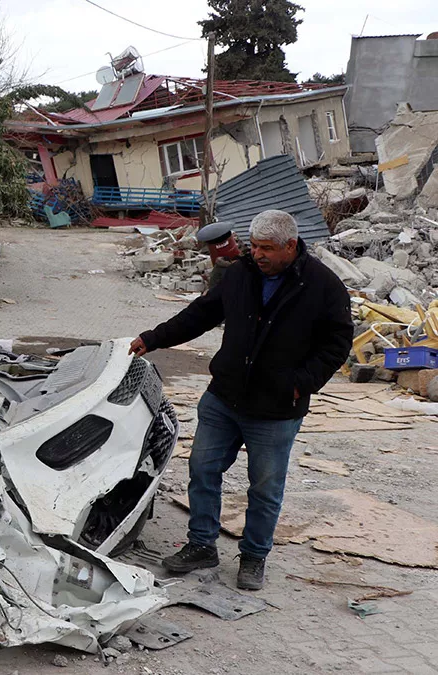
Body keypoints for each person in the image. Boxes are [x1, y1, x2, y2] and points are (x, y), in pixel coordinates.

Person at [129, 210, 353, 590]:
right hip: (224, 398)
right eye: (255, 247)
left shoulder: (323, 286)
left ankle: (253, 556)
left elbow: (337, 344)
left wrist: (301, 384)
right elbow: (200, 314)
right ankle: (201, 545)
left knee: (264, 487)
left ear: (291, 246)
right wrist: (153, 338)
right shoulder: (240, 274)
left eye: (268, 248)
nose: (259, 255)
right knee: (201, 469)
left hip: (276, 408)